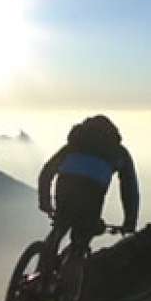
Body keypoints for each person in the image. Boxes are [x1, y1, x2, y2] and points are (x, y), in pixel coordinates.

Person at [37, 115, 139, 269]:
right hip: (93, 191)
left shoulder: (74, 145)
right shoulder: (119, 152)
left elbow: (47, 171)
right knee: (82, 237)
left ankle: (40, 273)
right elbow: (129, 188)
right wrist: (129, 221)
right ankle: (69, 287)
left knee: (61, 223)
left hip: (65, 185)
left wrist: (44, 201)